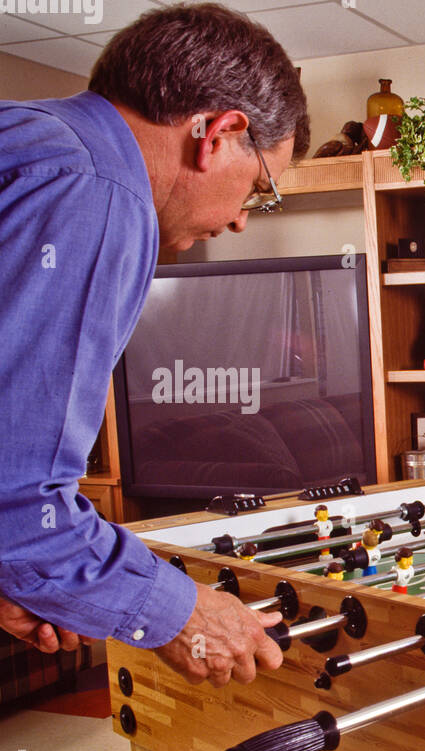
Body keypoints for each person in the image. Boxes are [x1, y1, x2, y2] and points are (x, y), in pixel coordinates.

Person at [0, 3, 310, 687]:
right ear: (220, 134)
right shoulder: (97, 193)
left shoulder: (28, 137)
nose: (238, 221)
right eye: (260, 189)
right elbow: (18, 497)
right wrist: (181, 611)